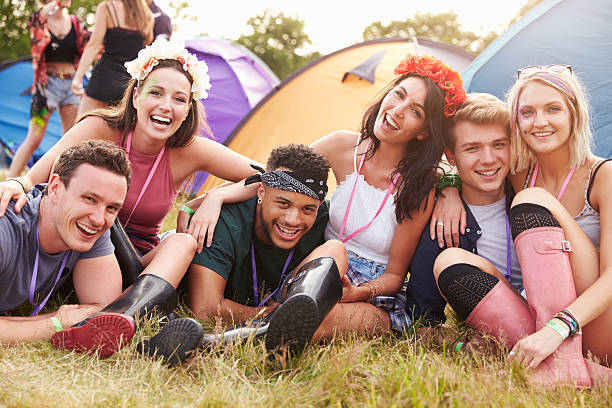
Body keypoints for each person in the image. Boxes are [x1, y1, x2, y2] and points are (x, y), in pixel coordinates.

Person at [181, 54, 466, 339]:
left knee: (318, 322)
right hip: (316, 271)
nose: (399, 110)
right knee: (334, 251)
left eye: (415, 111)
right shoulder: (342, 146)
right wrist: (212, 199)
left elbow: (394, 275)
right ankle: (260, 326)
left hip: (371, 291)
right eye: (398, 95)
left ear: (424, 131)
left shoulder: (419, 184)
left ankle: (209, 343)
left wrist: (358, 292)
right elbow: (277, 178)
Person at [431, 65, 611, 387]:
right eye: (527, 112)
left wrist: (559, 327)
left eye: (552, 109)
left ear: (574, 113)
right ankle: (572, 370)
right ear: (516, 122)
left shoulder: (603, 176)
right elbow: (463, 163)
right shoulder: (520, 172)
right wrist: (448, 188)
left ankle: (562, 358)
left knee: (532, 201)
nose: (539, 122)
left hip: (596, 322)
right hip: (543, 321)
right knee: (449, 262)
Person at [0, 38, 258, 258]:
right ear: (136, 97)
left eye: (179, 99)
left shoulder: (192, 150)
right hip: (77, 242)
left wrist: (212, 198)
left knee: (183, 244)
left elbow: (270, 178)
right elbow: (34, 178)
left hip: (135, 258)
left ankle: (132, 305)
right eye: (155, 93)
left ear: (188, 109)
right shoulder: (99, 127)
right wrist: (16, 184)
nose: (166, 106)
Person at [138, 144, 347, 366]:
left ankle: (216, 342)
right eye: (283, 203)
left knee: (336, 248)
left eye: (308, 209)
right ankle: (269, 328)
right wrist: (275, 314)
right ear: (261, 192)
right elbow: (206, 310)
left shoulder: (323, 217)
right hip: (167, 257)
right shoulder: (220, 221)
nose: (293, 220)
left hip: (280, 296)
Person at [405, 93, 518, 328]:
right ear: (451, 156)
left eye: (499, 144)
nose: (488, 159)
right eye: (472, 148)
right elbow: (422, 320)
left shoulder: (529, 194)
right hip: (500, 325)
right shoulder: (442, 225)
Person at [0, 140, 128, 346]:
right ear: (55, 187)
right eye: (89, 199)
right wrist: (57, 323)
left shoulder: (90, 228)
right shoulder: (5, 228)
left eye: (112, 208)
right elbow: (79, 319)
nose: (98, 219)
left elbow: (102, 311)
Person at [7, 0, 90, 178]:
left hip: (70, 86)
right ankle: (9, 182)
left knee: (71, 139)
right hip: (46, 87)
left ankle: (60, 181)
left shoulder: (77, 23)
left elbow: (92, 46)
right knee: (34, 138)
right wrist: (57, 4)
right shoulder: (39, 19)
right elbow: (37, 27)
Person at [71, 0, 153, 117]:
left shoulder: (107, 8)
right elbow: (146, 53)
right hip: (127, 86)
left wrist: (77, 78)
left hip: (102, 81)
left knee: (81, 130)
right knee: (114, 134)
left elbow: (94, 45)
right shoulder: (147, 15)